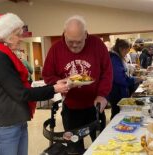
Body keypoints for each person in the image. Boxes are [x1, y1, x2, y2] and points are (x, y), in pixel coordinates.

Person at [0, 13, 69, 155]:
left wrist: (54, 85)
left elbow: (22, 89)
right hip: (3, 127)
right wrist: (55, 88)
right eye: (18, 34)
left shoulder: (5, 56)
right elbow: (21, 93)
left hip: (13, 124)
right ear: (4, 35)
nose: (21, 38)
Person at [42, 15, 113, 154]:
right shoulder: (55, 48)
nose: (74, 45)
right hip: (71, 108)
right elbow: (47, 75)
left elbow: (107, 73)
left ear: (86, 34)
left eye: (79, 42)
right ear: (64, 34)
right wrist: (60, 82)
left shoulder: (97, 44)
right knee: (74, 149)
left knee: (102, 146)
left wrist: (102, 95)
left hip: (95, 106)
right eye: (70, 41)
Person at [107, 39, 142, 119]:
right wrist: (135, 79)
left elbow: (122, 70)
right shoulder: (114, 59)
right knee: (117, 114)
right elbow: (121, 79)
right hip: (116, 92)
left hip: (118, 91)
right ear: (122, 49)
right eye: (127, 51)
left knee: (118, 112)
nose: (127, 53)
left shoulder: (117, 57)